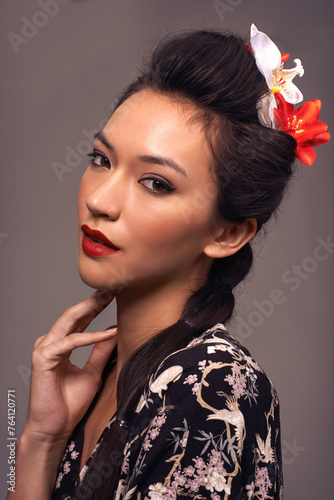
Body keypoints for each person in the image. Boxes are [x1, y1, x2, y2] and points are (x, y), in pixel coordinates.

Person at [7, 25, 329, 500]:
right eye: (100, 160)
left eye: (156, 183)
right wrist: (40, 441)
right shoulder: (100, 379)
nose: (100, 200)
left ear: (228, 233)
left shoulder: (216, 387)